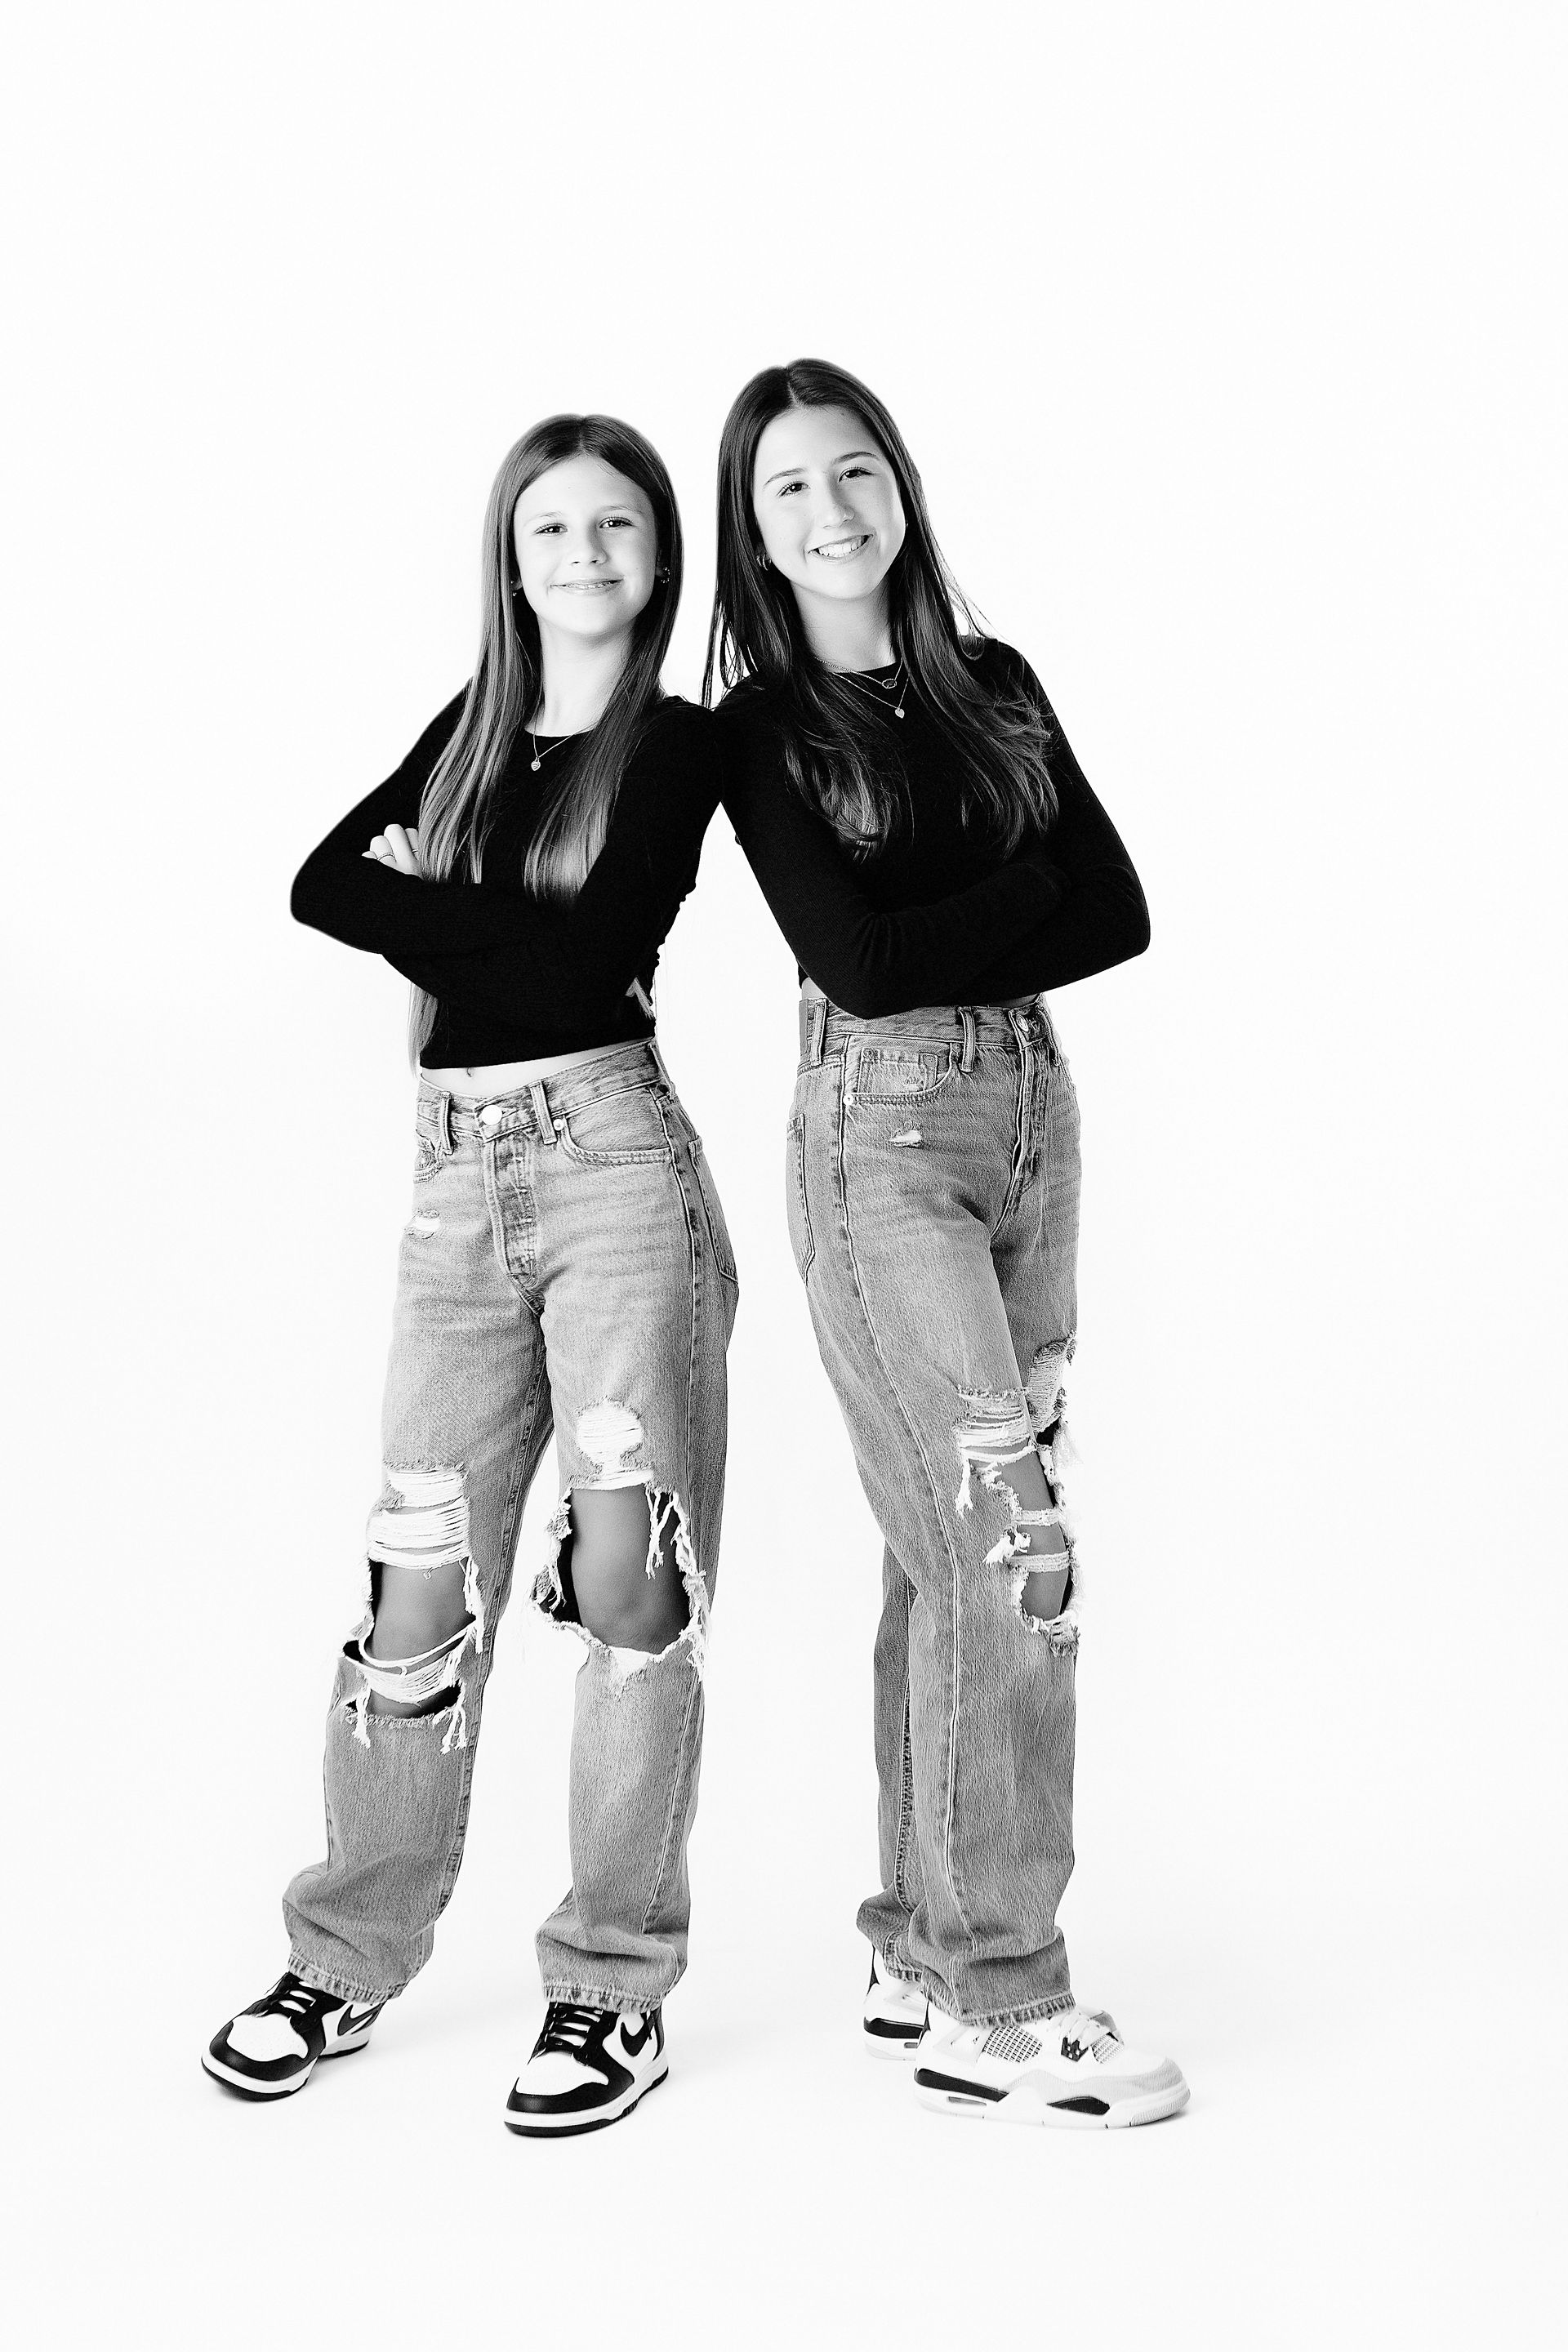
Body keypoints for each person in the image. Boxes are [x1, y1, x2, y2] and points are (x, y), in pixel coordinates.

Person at [203, 414, 737, 2136]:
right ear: (510, 556)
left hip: (611, 1174)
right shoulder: (472, 726)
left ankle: (608, 1991)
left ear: (657, 558)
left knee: (628, 1578)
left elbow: (583, 967)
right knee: (415, 1584)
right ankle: (348, 1953)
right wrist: (494, 927)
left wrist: (431, 903)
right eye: (550, 528)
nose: (582, 556)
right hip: (448, 1185)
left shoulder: (676, 745)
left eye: (616, 529)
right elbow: (313, 883)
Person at [706, 359, 1187, 2127]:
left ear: (898, 484)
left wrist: (967, 924)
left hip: (1032, 1127)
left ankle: (921, 1941)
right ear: (753, 535)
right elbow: (868, 966)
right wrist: (1013, 902)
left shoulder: (992, 681)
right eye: (787, 492)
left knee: (947, 1546)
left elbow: (1118, 912)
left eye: (854, 473)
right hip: (880, 1140)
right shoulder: (756, 731)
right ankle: (1007, 1994)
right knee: (1011, 1549)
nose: (832, 512)